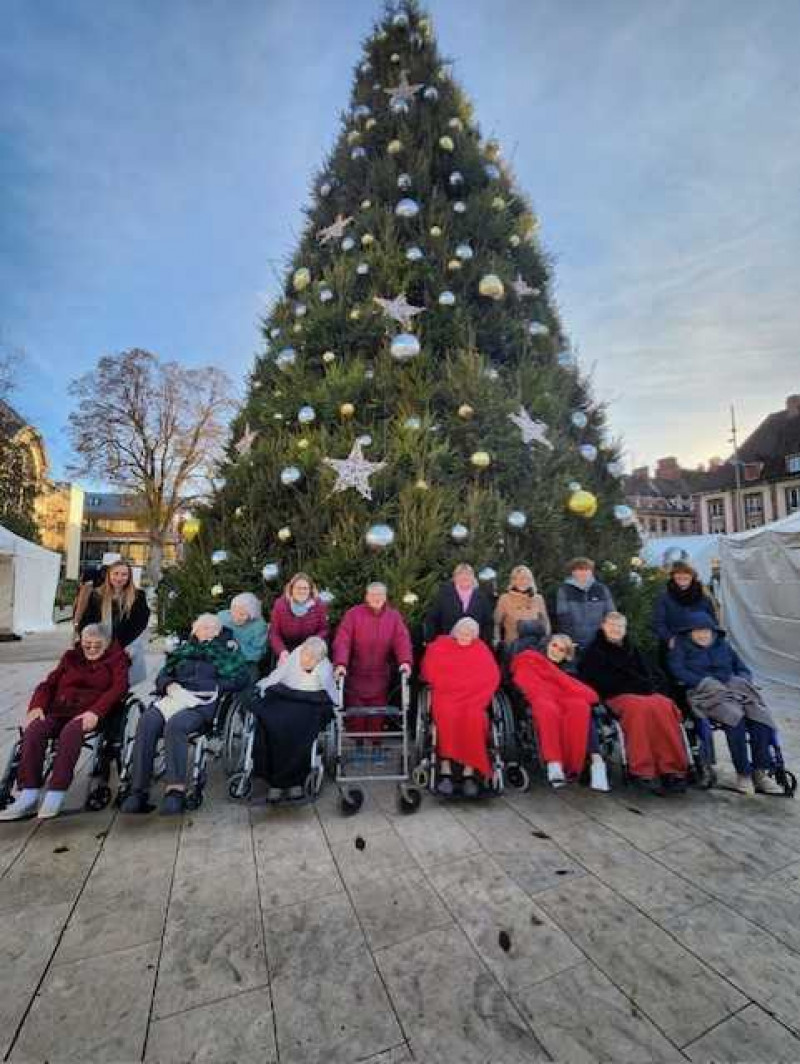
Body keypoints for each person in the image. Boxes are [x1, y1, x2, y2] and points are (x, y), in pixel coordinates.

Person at [120, 613, 250, 816]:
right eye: (203, 627)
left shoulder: (226, 652)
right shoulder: (182, 651)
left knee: (176, 726)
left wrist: (213, 686)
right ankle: (138, 789)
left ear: (218, 633)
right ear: (194, 631)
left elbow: (242, 678)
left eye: (213, 629)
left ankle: (175, 790)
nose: (208, 631)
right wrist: (168, 684)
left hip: (201, 704)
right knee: (147, 721)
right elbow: (162, 676)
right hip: (174, 697)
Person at [0, 625, 128, 821]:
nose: (92, 649)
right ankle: (29, 793)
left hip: (90, 712)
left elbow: (119, 688)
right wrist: (37, 706)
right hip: (60, 708)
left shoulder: (117, 659)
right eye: (87, 645)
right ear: (81, 643)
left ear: (107, 644)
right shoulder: (70, 657)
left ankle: (56, 793)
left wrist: (96, 711)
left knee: (70, 732)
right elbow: (48, 684)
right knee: (34, 730)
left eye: (97, 645)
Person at [669, 614, 783, 795]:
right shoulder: (681, 648)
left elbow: (743, 668)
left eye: (706, 631)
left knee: (760, 717)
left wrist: (742, 681)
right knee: (734, 718)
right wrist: (703, 682)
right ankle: (743, 773)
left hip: (733, 688)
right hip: (705, 692)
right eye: (697, 631)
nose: (702, 635)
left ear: (713, 632)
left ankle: (760, 772)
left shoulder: (723, 646)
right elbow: (677, 671)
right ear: (690, 633)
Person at [580, 613, 688, 791]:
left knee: (664, 705)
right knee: (638, 709)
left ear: (625, 629)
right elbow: (594, 681)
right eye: (612, 625)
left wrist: (651, 688)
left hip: (642, 692)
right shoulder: (594, 652)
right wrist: (634, 686)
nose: (616, 630)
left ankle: (671, 768)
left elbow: (651, 673)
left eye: (620, 626)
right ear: (603, 626)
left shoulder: (633, 649)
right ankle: (642, 769)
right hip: (615, 694)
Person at [510, 633, 609, 791]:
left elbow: (573, 688)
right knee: (547, 709)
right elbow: (524, 681)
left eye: (562, 649)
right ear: (546, 644)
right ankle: (554, 762)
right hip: (539, 697)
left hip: (561, 697)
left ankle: (589, 764)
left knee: (580, 706)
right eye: (554, 645)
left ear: (566, 655)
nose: (556, 651)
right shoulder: (530, 658)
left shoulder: (568, 670)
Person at [421, 618, 501, 797]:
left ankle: (469, 773)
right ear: (455, 632)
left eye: (470, 633)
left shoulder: (481, 649)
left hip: (473, 700)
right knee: (446, 715)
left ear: (475, 635)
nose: (466, 636)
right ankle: (446, 769)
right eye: (463, 632)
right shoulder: (440, 647)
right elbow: (429, 672)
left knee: (475, 718)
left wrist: (477, 694)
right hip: (447, 697)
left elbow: (492, 676)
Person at [252, 636, 337, 802]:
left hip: (311, 703)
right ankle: (273, 782)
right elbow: (276, 679)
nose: (307, 660)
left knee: (301, 729)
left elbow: (329, 695)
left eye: (312, 659)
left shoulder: (324, 669)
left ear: (319, 660)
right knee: (270, 721)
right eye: (305, 655)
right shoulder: (293, 659)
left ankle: (295, 781)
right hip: (285, 696)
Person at [333, 583, 413, 735]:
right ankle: (356, 747)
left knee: (377, 715)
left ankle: (376, 747)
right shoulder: (353, 614)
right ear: (366, 597)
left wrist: (405, 662)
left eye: (380, 595)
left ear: (385, 597)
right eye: (373, 595)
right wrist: (341, 664)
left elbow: (402, 641)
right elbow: (342, 640)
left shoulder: (393, 617)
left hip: (380, 674)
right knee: (356, 715)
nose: (377, 598)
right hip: (356, 675)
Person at [78, 560, 151, 685]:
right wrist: (90, 641)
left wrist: (119, 646)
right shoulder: (97, 595)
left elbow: (140, 624)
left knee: (122, 683)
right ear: (109, 575)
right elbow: (86, 621)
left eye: (124, 574)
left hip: (126, 647)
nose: (119, 578)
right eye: (116, 573)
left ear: (129, 577)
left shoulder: (138, 596)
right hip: (100, 648)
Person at [652, 561, 717, 661]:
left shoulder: (704, 598)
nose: (682, 576)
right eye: (678, 573)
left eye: (686, 573)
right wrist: (669, 638)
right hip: (674, 644)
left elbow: (712, 622)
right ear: (673, 576)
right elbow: (658, 623)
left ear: (692, 576)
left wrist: (709, 638)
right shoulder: (664, 598)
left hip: (700, 645)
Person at [555, 558, 614, 657]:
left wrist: (604, 637)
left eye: (587, 569)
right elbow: (563, 617)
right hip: (575, 643)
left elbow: (611, 614)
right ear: (573, 572)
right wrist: (571, 640)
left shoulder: (602, 589)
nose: (583, 573)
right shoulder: (564, 590)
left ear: (591, 572)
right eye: (579, 569)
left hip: (598, 642)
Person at [424, 563, 494, 645]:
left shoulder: (482, 597)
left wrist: (484, 643)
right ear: (454, 577)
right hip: (447, 644)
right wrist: (432, 642)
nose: (464, 577)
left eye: (468, 574)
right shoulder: (443, 595)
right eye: (460, 574)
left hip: (474, 646)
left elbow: (488, 623)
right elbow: (432, 619)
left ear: (473, 577)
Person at [269, 572, 328, 664]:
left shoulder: (318, 605)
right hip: (287, 649)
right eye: (298, 588)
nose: (301, 591)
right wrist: (281, 651)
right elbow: (274, 633)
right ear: (291, 589)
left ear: (310, 590)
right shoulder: (280, 605)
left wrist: (311, 645)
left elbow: (324, 630)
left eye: (305, 588)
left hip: (310, 650)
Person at [494, 565, 551, 652]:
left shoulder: (538, 598)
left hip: (536, 647)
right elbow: (496, 623)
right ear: (513, 581)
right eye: (519, 578)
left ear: (531, 581)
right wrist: (497, 642)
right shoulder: (504, 598)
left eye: (526, 578)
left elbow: (545, 622)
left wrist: (546, 641)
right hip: (513, 647)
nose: (523, 581)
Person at [218, 592, 268, 680]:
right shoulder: (222, 617)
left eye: (242, 614)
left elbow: (256, 654)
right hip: (221, 656)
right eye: (234, 611)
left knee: (249, 677)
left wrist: (237, 647)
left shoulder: (259, 626)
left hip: (246, 661)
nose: (236, 617)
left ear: (252, 615)